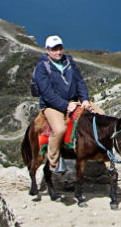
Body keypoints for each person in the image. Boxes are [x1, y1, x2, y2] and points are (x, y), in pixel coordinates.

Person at [32, 35, 99, 169]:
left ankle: (99, 151)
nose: (58, 52)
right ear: (47, 51)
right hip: (52, 106)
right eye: (54, 49)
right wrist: (66, 105)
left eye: (60, 48)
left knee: (100, 115)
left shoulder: (69, 61)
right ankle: (53, 159)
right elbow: (47, 93)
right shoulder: (41, 68)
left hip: (74, 101)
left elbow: (80, 81)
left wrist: (85, 99)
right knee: (59, 129)